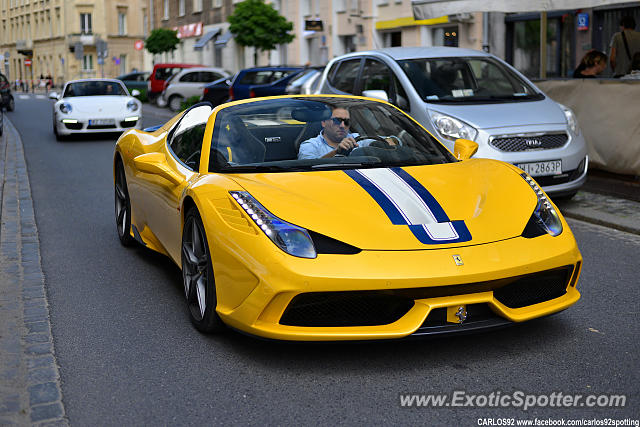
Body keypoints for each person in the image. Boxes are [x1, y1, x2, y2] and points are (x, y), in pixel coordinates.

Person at [297, 106, 364, 159]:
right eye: (337, 120)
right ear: (323, 122)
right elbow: (307, 170)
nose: (342, 126)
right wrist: (336, 153)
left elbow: (373, 144)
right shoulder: (310, 145)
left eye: (346, 122)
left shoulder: (359, 139)